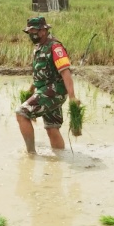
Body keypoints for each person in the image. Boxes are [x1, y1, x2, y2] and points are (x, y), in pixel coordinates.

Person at [15, 16, 81, 153]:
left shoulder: (55, 47)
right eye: (30, 32)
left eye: (35, 31)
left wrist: (72, 97)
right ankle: (60, 156)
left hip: (54, 91)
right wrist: (31, 89)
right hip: (45, 90)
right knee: (52, 127)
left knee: (22, 113)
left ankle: (31, 154)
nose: (32, 35)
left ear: (44, 31)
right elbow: (42, 73)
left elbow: (65, 73)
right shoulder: (40, 47)